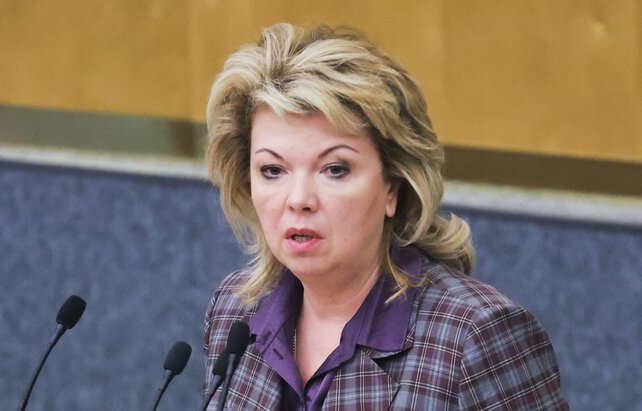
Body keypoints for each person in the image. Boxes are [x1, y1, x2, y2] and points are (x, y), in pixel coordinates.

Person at [203, 23, 567, 410]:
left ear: (393, 185)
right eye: (273, 170)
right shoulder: (234, 313)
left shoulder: (475, 337)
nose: (299, 200)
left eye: (335, 169)